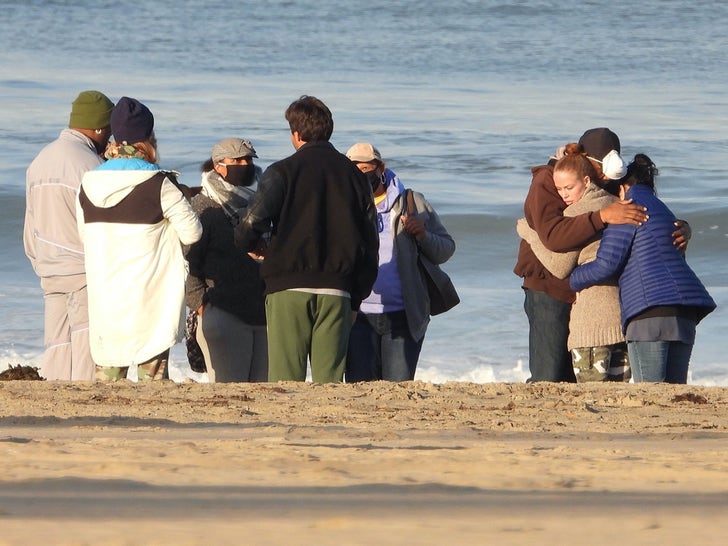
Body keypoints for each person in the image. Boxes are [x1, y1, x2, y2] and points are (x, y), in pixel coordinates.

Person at [234, 95, 379, 383]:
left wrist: (253, 247)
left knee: (286, 380)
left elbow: (250, 222)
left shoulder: (282, 171)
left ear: (296, 134)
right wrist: (357, 293)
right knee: (330, 382)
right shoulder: (355, 176)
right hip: (337, 289)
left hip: (288, 285)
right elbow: (370, 240)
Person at [77, 96, 202, 381]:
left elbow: (84, 234)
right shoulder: (159, 184)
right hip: (149, 301)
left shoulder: (87, 183)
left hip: (107, 299)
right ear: (148, 139)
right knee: (152, 385)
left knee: (107, 383)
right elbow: (193, 232)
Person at [514, 128, 650, 383]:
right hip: (547, 288)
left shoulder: (600, 182)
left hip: (581, 292)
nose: (603, 178)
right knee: (550, 375)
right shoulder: (547, 180)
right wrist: (602, 216)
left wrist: (681, 227)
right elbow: (553, 237)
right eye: (600, 169)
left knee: (572, 376)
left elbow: (643, 204)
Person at [570, 154, 715, 383]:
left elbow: (606, 264)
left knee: (650, 391)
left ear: (621, 189)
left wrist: (573, 280)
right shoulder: (664, 211)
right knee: (674, 392)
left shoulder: (629, 209)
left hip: (649, 315)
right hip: (684, 314)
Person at [344, 143, 455, 382]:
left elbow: (446, 249)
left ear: (380, 168)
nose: (362, 175)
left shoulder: (411, 201)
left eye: (366, 168)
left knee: (398, 391)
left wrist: (423, 235)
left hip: (403, 316)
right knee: (358, 390)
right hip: (357, 316)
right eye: (355, 170)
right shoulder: (344, 206)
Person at [23, 90, 114, 381]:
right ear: (98, 128)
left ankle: (55, 401)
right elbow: (103, 226)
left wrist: (41, 265)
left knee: (57, 346)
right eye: (108, 130)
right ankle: (86, 406)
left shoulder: (40, 160)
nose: (110, 137)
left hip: (50, 271)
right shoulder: (90, 166)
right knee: (87, 345)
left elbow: (30, 225)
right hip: (83, 271)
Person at [184, 137, 268, 382]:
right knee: (229, 392)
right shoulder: (203, 206)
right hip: (223, 312)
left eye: (248, 159)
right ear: (218, 165)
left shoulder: (265, 200)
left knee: (266, 394)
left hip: (263, 311)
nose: (244, 164)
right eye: (237, 160)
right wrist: (200, 304)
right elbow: (189, 261)